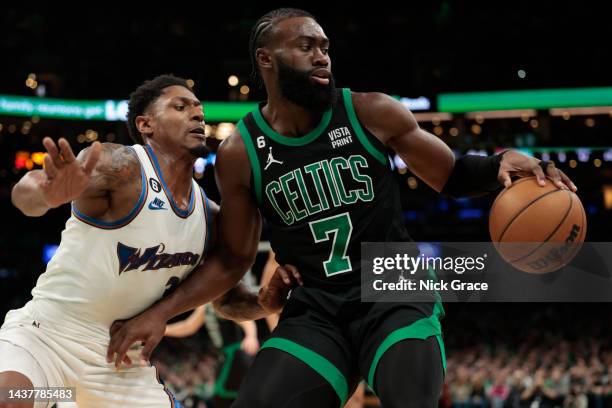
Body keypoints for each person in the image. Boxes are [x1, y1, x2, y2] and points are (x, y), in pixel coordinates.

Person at [109, 8, 576, 408]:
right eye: (306, 46)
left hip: (395, 291)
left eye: (325, 47)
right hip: (316, 311)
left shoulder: (370, 111)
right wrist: (164, 312)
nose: (322, 56)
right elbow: (233, 259)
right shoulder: (239, 153)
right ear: (265, 59)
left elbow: (450, 174)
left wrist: (499, 166)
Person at [0, 74, 293, 408]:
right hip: (47, 335)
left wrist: (263, 303)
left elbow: (226, 301)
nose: (197, 114)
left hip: (117, 361)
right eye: (180, 107)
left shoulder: (209, 218)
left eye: (198, 108)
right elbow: (25, 195)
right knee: (12, 399)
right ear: (146, 124)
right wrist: (46, 194)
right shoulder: (121, 167)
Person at [165, 304, 259, 407]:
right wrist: (164, 330)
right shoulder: (206, 304)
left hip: (237, 354)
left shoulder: (222, 297)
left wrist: (251, 336)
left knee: (231, 396)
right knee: (225, 397)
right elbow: (189, 326)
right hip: (225, 356)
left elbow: (244, 319)